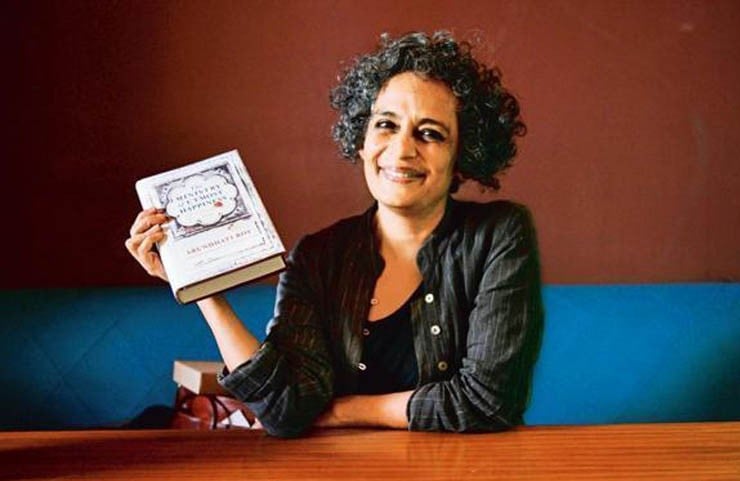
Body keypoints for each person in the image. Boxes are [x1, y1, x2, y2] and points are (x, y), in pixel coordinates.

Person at [125, 30, 543, 437]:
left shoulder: (500, 235)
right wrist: (200, 285)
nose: (401, 150)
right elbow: (286, 410)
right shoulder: (318, 256)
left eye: (430, 133)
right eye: (386, 125)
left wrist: (343, 411)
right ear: (361, 140)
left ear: (462, 155)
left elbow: (487, 400)